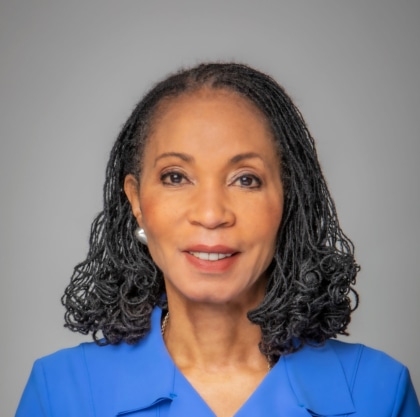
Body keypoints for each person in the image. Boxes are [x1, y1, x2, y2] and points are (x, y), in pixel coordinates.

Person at [16, 63, 419, 417]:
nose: (211, 214)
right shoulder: (60, 393)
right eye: (176, 177)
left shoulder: (378, 392)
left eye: (246, 180)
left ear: (287, 201)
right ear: (136, 202)